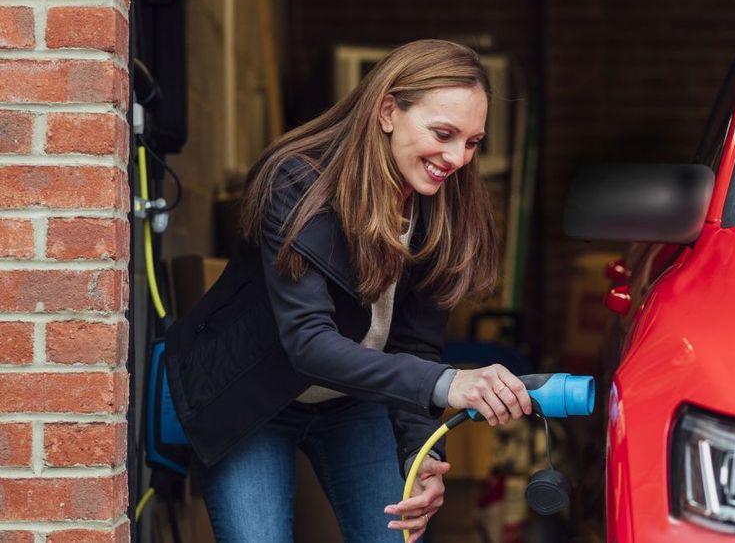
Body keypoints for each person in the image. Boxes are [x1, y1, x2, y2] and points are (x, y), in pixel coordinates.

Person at [163, 39, 532, 543]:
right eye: (443, 133)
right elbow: (308, 343)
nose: (457, 158)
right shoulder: (297, 183)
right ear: (387, 111)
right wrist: (450, 384)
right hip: (253, 396)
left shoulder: (441, 210)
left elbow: (415, 347)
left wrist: (422, 455)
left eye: (472, 142)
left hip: (354, 400)